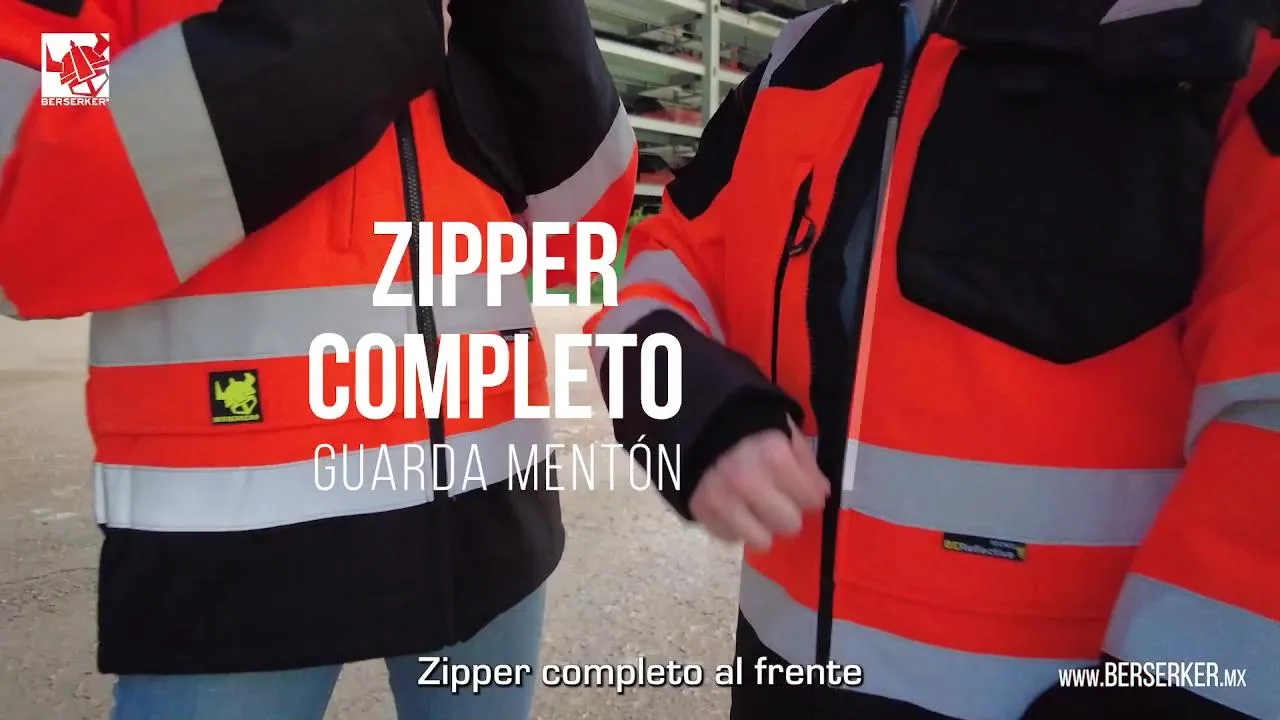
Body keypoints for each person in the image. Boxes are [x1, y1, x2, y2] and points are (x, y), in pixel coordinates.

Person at [587, 0, 1279, 718]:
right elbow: (663, 268)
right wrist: (696, 408)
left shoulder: (1224, 41)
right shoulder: (803, 58)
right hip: (779, 665)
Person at [0, 0, 635, 717]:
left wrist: (535, 26)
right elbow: (24, 202)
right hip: (233, 531)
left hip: (493, 494)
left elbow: (580, 235)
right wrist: (352, 34)